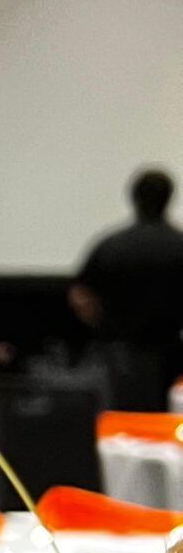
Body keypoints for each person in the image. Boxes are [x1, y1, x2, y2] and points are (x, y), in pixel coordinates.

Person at [72, 169, 183, 410]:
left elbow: (81, 294)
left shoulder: (111, 246)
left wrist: (100, 322)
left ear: (134, 198)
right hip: (171, 352)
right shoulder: (178, 245)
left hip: (120, 353)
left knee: (122, 418)